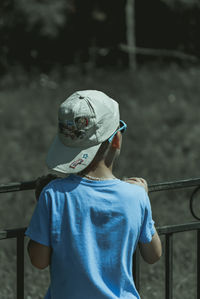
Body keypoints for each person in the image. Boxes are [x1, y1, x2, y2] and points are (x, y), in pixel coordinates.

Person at [25, 90, 162, 299]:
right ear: (116, 139)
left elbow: (39, 260)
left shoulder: (53, 195)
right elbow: (153, 255)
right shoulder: (135, 196)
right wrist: (144, 201)